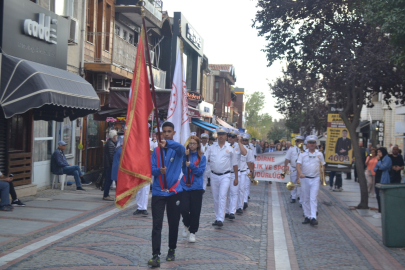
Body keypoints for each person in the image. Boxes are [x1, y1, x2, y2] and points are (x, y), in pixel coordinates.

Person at [148, 122, 185, 267]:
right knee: (156, 224)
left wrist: (168, 144)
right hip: (158, 191)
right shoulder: (156, 151)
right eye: (164, 132)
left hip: (174, 192)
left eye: (169, 131)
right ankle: (155, 255)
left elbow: (182, 148)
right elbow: (151, 169)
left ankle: (171, 249)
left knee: (173, 222)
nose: (166, 134)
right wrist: (159, 171)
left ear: (173, 133)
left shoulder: (176, 149)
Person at [205, 126, 238, 227]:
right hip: (214, 175)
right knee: (216, 197)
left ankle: (220, 219)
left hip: (226, 176)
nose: (221, 136)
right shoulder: (211, 147)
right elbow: (204, 159)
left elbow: (235, 164)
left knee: (222, 196)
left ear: (226, 136)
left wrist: (236, 178)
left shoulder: (230, 149)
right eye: (219, 134)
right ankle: (217, 217)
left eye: (223, 134)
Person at [180, 135, 206, 243]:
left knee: (195, 211)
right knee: (183, 208)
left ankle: (192, 232)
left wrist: (191, 166)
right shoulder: (186, 156)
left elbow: (200, 172)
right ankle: (186, 224)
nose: (191, 145)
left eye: (193, 144)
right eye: (190, 144)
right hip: (185, 186)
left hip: (196, 187)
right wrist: (184, 159)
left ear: (198, 145)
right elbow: (183, 170)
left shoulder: (202, 158)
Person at [297, 135, 325, 226]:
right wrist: (300, 173)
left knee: (313, 198)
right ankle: (307, 216)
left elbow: (322, 165)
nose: (312, 144)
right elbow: (298, 165)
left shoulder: (319, 154)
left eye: (313, 143)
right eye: (310, 143)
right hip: (305, 178)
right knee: (305, 198)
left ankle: (313, 217)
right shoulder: (302, 154)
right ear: (307, 144)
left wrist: (322, 177)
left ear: (316, 144)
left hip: (315, 178)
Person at [225, 129, 247, 220]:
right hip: (225, 173)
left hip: (235, 173)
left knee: (234, 193)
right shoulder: (224, 145)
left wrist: (239, 142)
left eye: (233, 136)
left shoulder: (238, 146)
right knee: (225, 193)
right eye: (229, 136)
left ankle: (232, 212)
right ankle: (225, 211)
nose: (230, 138)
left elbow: (244, 153)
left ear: (236, 138)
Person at [133, 132, 154, 216]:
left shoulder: (151, 141)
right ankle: (139, 207)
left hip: (147, 170)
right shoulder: (137, 143)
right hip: (139, 169)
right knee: (138, 190)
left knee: (145, 190)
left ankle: (144, 208)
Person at [284, 135, 304, 203]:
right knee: (293, 182)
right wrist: (285, 166)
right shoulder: (292, 148)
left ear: (302, 141)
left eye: (299, 141)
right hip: (293, 168)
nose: (297, 142)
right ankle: (293, 197)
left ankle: (300, 198)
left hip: (302, 170)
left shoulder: (304, 149)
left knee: (301, 184)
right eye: (296, 141)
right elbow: (287, 158)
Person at [373, 147, 392, 219]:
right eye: (377, 152)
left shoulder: (387, 158)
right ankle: (379, 211)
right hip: (377, 178)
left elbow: (384, 167)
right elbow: (375, 168)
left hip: (383, 179)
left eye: (379, 152)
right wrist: (379, 167)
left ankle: (382, 212)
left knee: (381, 196)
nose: (378, 154)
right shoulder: (380, 160)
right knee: (377, 196)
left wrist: (379, 164)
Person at [102, 130, 118, 201]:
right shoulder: (110, 144)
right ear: (114, 136)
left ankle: (106, 194)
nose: (117, 137)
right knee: (108, 180)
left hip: (108, 165)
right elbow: (111, 156)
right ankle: (106, 195)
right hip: (109, 166)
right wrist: (113, 165)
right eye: (116, 135)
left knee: (109, 180)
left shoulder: (111, 143)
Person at [242, 133, 256, 211]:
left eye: (246, 140)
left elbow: (252, 161)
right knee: (240, 188)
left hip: (247, 169)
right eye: (243, 140)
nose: (244, 142)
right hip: (239, 170)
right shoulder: (237, 148)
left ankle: (245, 201)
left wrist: (252, 172)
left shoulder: (250, 150)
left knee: (246, 186)